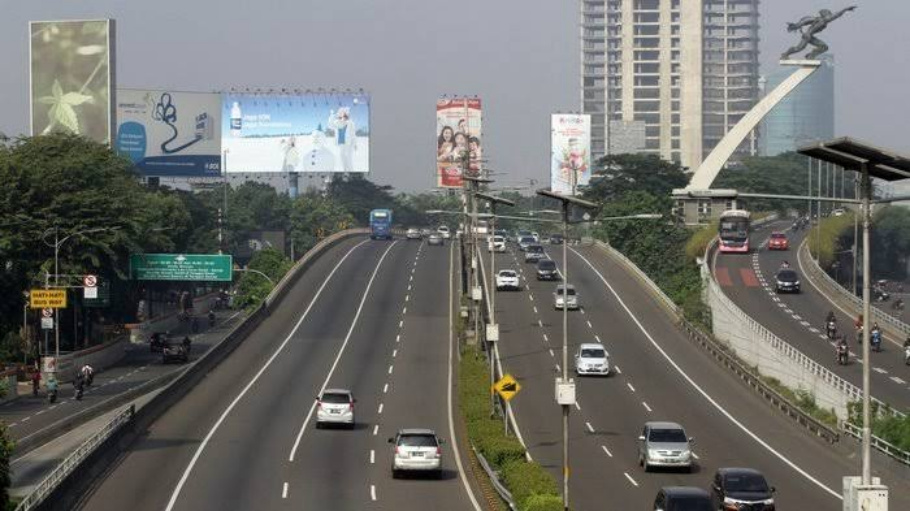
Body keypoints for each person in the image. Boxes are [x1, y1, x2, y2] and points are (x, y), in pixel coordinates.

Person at [327, 107, 358, 173]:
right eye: (340, 113)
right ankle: (345, 172)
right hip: (341, 143)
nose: (342, 115)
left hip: (349, 144)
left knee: (349, 159)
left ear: (346, 115)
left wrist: (355, 144)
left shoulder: (350, 123)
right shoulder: (337, 123)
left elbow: (353, 134)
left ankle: (351, 173)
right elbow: (330, 125)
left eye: (343, 114)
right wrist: (332, 115)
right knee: (342, 158)